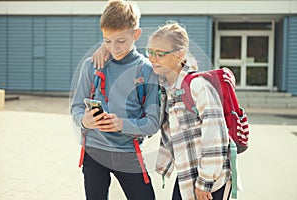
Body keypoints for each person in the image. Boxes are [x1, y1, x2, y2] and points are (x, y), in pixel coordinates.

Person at [93, 21, 232, 200]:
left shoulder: (198, 86)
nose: (152, 59)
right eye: (150, 52)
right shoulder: (166, 85)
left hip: (211, 181)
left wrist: (205, 183)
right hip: (187, 175)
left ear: (179, 55)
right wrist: (105, 48)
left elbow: (215, 137)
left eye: (159, 54)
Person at [70, 1, 160, 199]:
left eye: (121, 41)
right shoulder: (91, 65)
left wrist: (122, 124)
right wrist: (84, 120)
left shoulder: (147, 70)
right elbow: (76, 107)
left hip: (128, 153)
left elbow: (153, 123)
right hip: (94, 152)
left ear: (136, 34)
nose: (114, 48)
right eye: (107, 41)